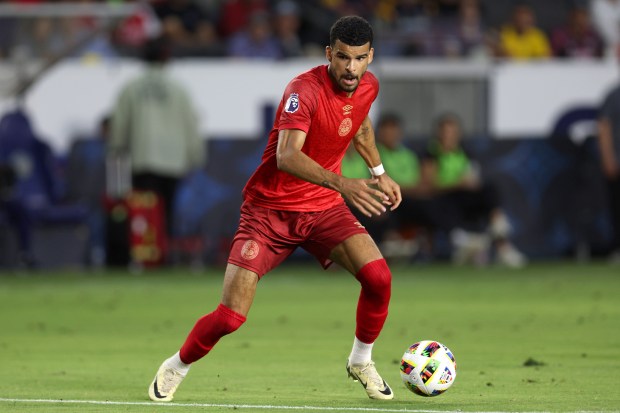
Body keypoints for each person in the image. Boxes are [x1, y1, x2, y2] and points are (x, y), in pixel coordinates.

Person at [147, 15, 401, 402]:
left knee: (379, 278)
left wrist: (378, 171)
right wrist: (344, 183)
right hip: (269, 213)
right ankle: (177, 364)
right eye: (344, 58)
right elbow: (286, 156)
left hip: (321, 209)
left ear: (371, 57)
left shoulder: (368, 86)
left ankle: (360, 360)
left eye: (360, 59)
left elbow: (360, 125)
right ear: (329, 53)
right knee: (231, 317)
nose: (351, 69)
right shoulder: (304, 90)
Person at [109, 35, 204, 242]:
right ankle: (165, 250)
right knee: (168, 209)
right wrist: (195, 156)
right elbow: (191, 124)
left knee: (144, 210)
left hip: (143, 158)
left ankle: (145, 252)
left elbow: (120, 123)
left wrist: (116, 149)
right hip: (173, 159)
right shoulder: (179, 89)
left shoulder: (131, 87)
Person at [421, 113, 527, 267]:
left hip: (465, 196)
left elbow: (473, 175)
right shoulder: (431, 153)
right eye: (445, 132)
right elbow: (429, 186)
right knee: (439, 206)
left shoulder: (465, 152)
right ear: (439, 134)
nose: (448, 136)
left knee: (490, 188)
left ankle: (500, 234)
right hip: (445, 197)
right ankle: (470, 245)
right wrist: (457, 183)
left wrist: (471, 183)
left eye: (452, 133)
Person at [596, 83, 620, 263]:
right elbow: (604, 126)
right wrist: (608, 157)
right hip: (618, 160)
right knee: (616, 207)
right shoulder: (614, 95)